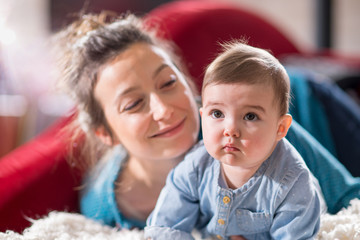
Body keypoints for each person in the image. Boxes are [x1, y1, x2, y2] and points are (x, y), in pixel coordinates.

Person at [52, 12, 360, 232]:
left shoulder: (249, 127)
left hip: (312, 102)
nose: (164, 110)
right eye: (134, 104)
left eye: (168, 83)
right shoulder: (104, 206)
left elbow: (349, 198)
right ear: (105, 133)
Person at [145, 41, 323, 239]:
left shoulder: (293, 184)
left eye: (250, 116)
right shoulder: (195, 167)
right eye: (217, 113)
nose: (230, 130)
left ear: (280, 128)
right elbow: (164, 228)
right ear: (202, 116)